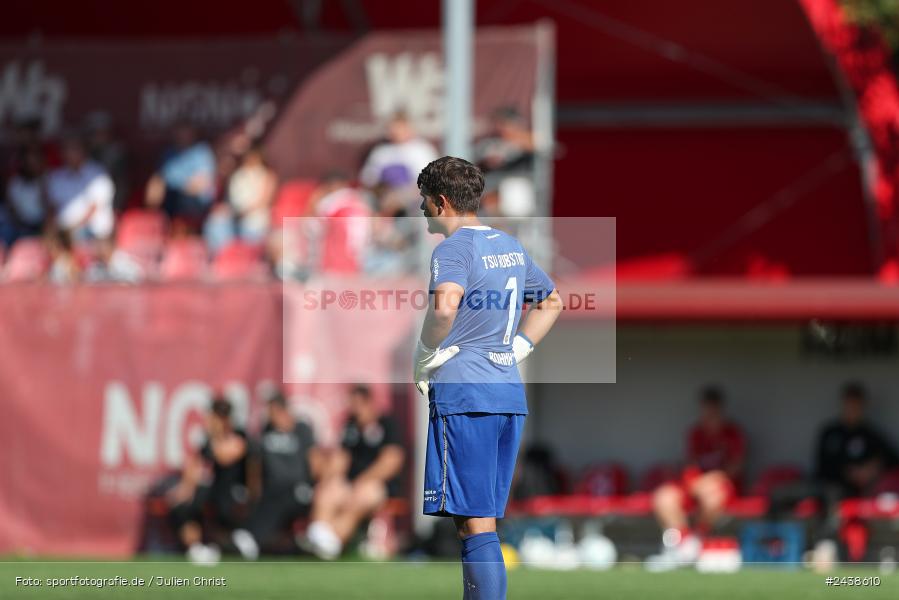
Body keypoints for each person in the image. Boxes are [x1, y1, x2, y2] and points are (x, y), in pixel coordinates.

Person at [412, 156, 562, 600]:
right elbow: (551, 302)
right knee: (483, 522)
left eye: (424, 202)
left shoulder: (454, 249)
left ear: (441, 202)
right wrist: (519, 347)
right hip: (507, 393)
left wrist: (423, 355)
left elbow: (444, 308)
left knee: (474, 524)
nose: (421, 211)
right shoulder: (510, 246)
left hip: (465, 392)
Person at [646, 386, 746, 571]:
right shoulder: (696, 433)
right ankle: (679, 545)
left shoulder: (732, 433)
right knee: (664, 497)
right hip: (694, 484)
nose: (710, 412)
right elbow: (690, 465)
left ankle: (697, 541)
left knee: (712, 496)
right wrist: (694, 482)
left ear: (720, 409)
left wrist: (709, 480)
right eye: (706, 408)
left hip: (722, 486)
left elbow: (735, 467)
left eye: (713, 408)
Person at [304, 384, 405, 559]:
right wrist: (329, 477)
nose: (354, 410)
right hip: (351, 483)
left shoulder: (387, 424)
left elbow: (391, 462)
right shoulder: (350, 426)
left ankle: (333, 541)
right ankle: (319, 534)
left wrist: (362, 480)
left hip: (378, 485)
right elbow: (341, 458)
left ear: (369, 403)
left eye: (357, 404)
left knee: (363, 494)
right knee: (328, 490)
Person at [232, 391, 320, 560]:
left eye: (273, 412)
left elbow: (314, 461)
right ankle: (249, 537)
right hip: (272, 490)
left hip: (299, 490)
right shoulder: (267, 431)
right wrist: (253, 490)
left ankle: (251, 537)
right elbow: (255, 463)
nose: (270, 417)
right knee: (267, 498)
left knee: (281, 497)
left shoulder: (301, 430)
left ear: (283, 411)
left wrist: (312, 485)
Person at [167, 395, 249, 565]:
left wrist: (214, 437)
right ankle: (196, 548)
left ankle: (236, 541)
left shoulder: (238, 435)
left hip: (234, 492)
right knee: (183, 506)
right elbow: (195, 464)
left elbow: (225, 456)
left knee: (210, 502)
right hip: (214, 490)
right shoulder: (208, 440)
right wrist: (186, 488)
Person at [815, 382, 899, 496]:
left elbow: (892, 460)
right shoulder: (831, 433)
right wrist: (849, 472)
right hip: (832, 494)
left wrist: (873, 468)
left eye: (857, 405)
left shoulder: (870, 434)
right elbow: (822, 467)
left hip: (863, 495)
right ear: (843, 404)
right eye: (849, 404)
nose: (853, 409)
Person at [145, 122, 216, 229]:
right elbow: (159, 178)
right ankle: (152, 223)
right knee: (157, 186)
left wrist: (182, 187)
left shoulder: (201, 152)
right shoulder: (169, 153)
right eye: (180, 134)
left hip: (194, 199)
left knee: (181, 197)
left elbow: (202, 183)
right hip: (170, 195)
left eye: (186, 133)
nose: (183, 137)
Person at [45, 134, 115, 242]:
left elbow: (93, 209)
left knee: (79, 235)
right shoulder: (57, 177)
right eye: (66, 149)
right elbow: (52, 206)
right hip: (63, 233)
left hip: (93, 233)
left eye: (73, 148)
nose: (69, 153)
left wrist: (72, 229)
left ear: (83, 150)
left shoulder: (98, 174)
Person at [359, 112, 437, 190]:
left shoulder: (422, 150)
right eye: (393, 128)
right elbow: (368, 178)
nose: (396, 131)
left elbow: (429, 180)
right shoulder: (381, 152)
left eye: (400, 128)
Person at [1, 144, 48, 246]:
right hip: (22, 226)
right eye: (29, 161)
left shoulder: (47, 181)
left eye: (35, 161)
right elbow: (12, 210)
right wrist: (23, 225)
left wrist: (41, 184)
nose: (32, 164)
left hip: (44, 226)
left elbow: (49, 206)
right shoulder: (15, 183)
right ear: (22, 163)